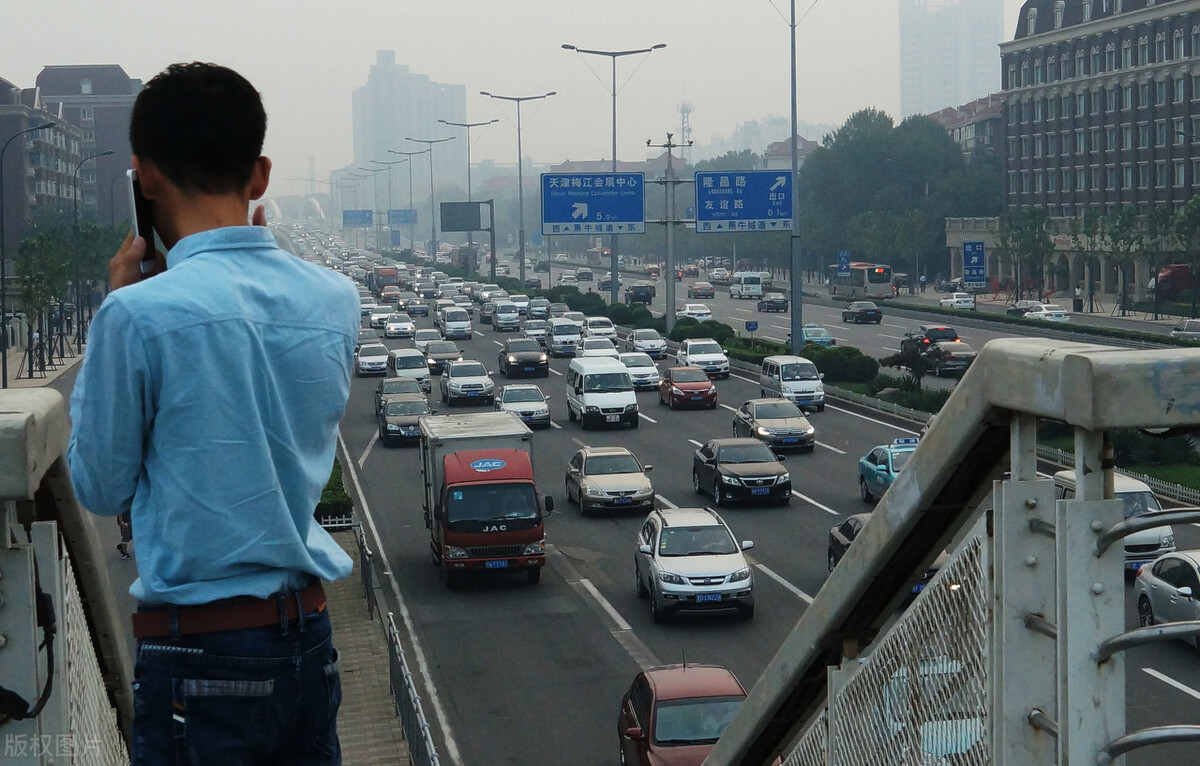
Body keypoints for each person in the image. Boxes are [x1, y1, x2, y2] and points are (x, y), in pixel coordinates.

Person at [67, 63, 358, 765]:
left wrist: (117, 303)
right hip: (310, 640)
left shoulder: (138, 314)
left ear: (144, 179)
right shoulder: (335, 300)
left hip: (198, 654)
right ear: (259, 175)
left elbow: (100, 486)